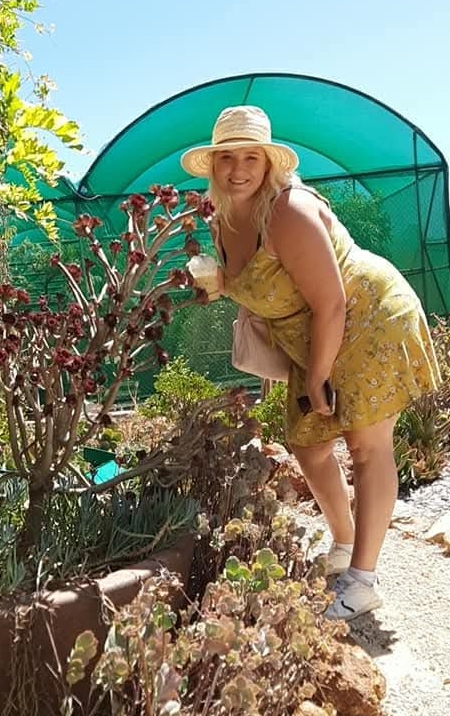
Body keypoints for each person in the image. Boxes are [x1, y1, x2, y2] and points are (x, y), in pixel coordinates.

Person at [180, 105, 441, 621]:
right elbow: (262, 283)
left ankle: (362, 582)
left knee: (366, 446)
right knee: (309, 445)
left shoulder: (288, 211)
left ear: (268, 162)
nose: (238, 169)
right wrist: (218, 286)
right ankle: (344, 543)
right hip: (314, 333)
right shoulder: (222, 220)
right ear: (212, 165)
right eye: (227, 157)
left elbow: (332, 301)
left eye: (250, 157)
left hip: (367, 318)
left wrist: (318, 375)